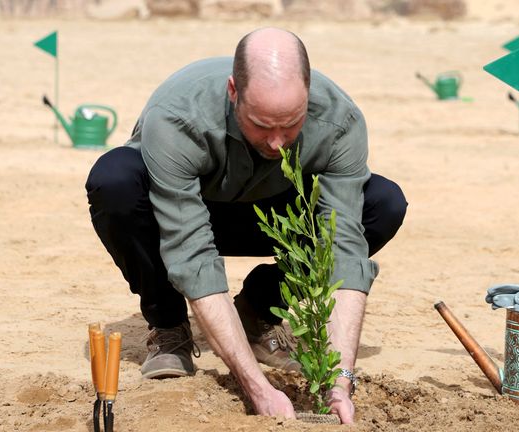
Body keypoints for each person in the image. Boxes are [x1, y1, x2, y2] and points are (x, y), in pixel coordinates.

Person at [85, 27, 407, 423]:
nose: (276, 143)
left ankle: (258, 308)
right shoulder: (177, 117)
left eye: (290, 125)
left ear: (307, 93)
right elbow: (190, 250)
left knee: (382, 202)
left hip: (275, 216)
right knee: (114, 181)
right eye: (260, 124)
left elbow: (343, 249)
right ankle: (169, 328)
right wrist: (257, 387)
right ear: (233, 91)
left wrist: (341, 380)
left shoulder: (341, 121)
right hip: (182, 212)